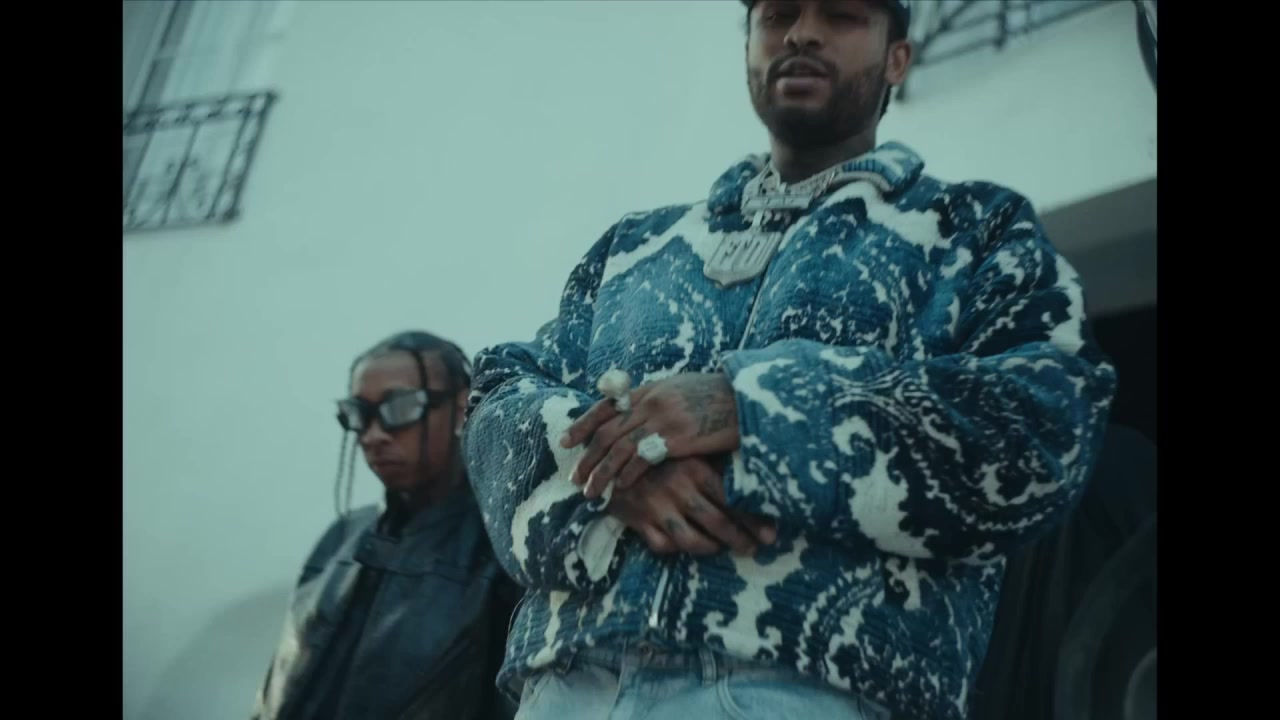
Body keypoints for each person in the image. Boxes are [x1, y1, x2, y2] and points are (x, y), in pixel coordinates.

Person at [463, 1, 1116, 719]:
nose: (802, 33)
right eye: (777, 15)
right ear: (748, 46)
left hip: (808, 688)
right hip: (567, 684)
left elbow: (1044, 421)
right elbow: (497, 396)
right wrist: (611, 473)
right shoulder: (635, 246)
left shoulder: (973, 231)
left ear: (898, 57)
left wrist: (756, 407)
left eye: (841, 15)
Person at [253, 331, 519, 720]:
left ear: (463, 406)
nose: (373, 435)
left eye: (401, 407)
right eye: (358, 413)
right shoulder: (342, 537)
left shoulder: (503, 545)